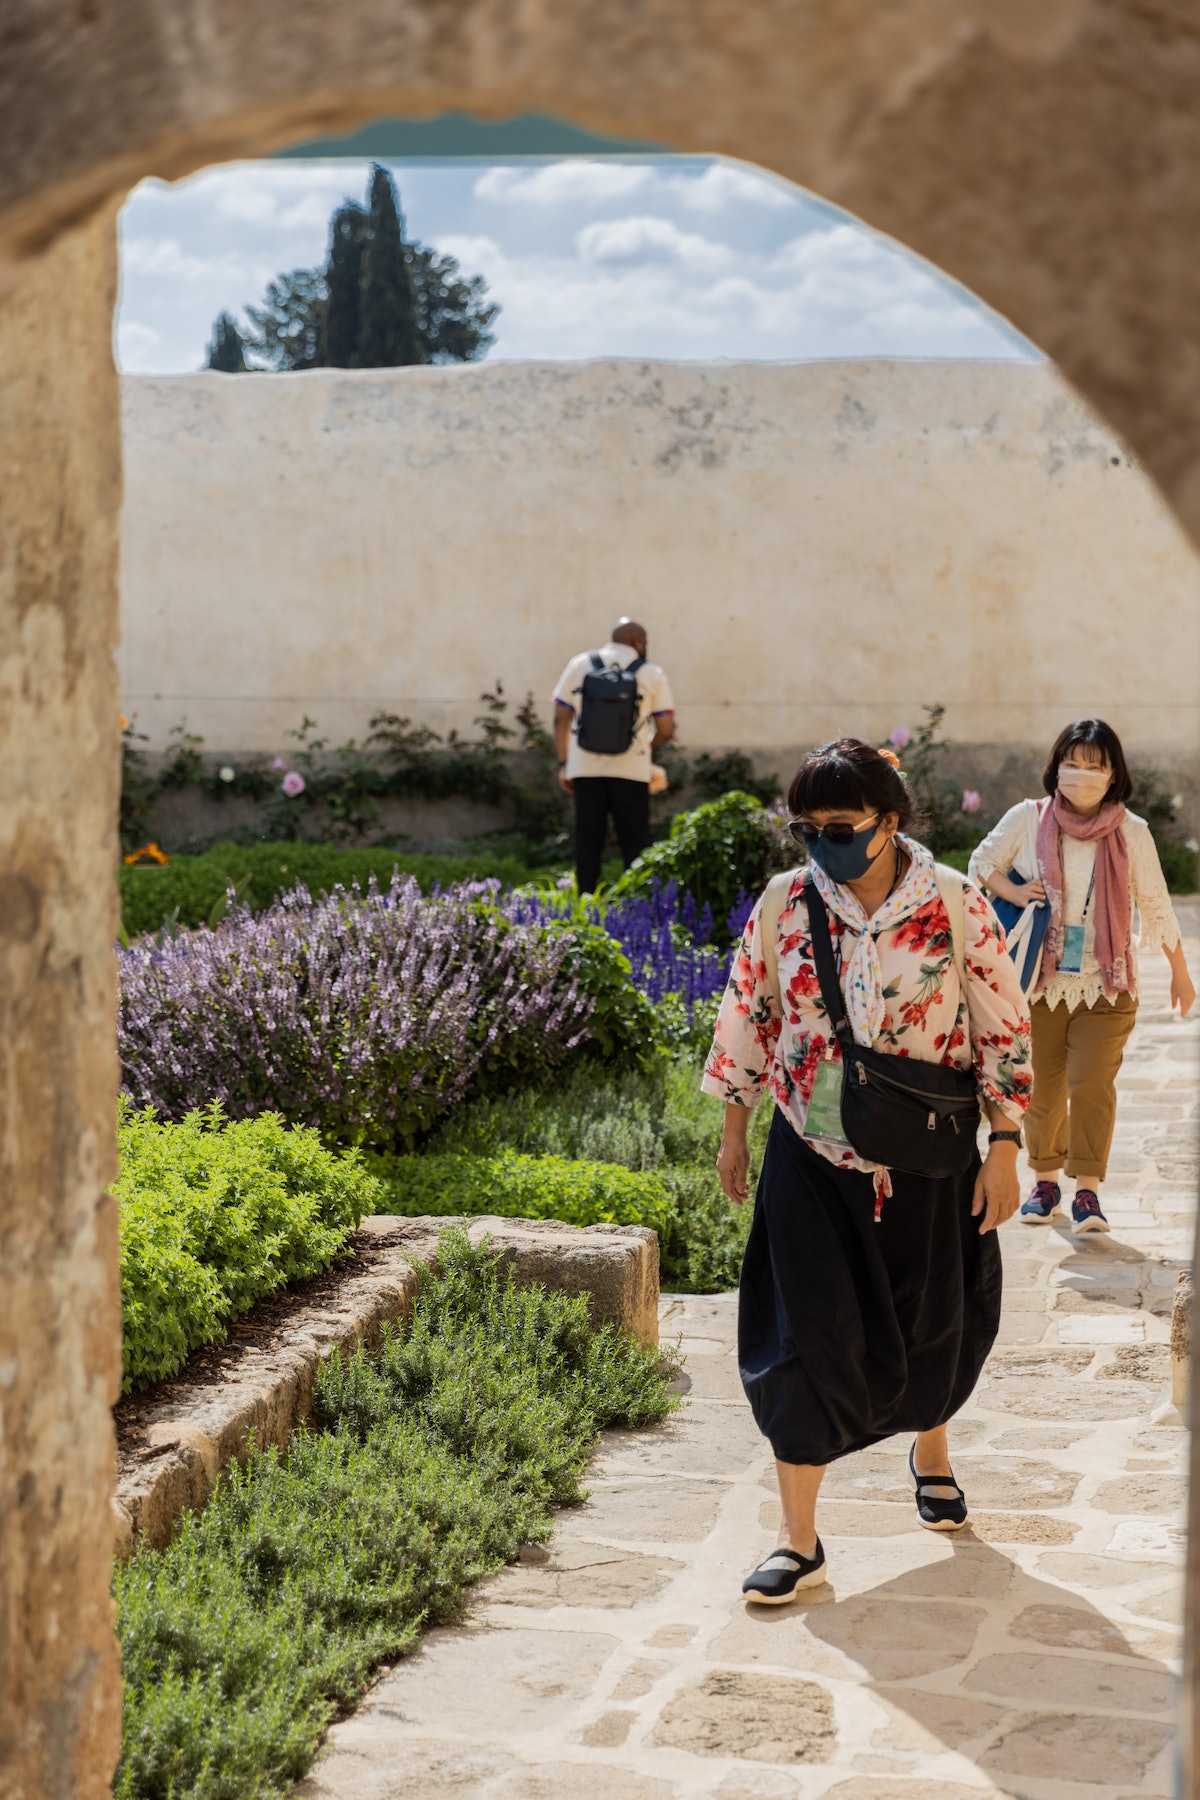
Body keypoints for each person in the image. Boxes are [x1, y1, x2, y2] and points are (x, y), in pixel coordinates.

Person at [703, 738, 1031, 1604]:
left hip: (927, 1153)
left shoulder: (957, 905)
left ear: (889, 821)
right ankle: (798, 1538)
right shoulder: (783, 904)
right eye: (806, 828)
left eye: (840, 826)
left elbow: (1004, 1027)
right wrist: (736, 1130)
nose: (822, 843)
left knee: (933, 1318)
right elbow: (751, 1011)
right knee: (799, 1337)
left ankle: (932, 1450)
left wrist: (1004, 1145)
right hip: (810, 1155)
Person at [969, 717, 1193, 1234]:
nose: (1082, 773)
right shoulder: (1028, 818)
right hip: (1037, 985)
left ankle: (1087, 1192)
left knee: (1091, 1083)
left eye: (1094, 765)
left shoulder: (1131, 832)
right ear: (1056, 767)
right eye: (1073, 762)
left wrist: (1180, 972)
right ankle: (1045, 1183)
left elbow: (1155, 904)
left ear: (1113, 774)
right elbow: (983, 862)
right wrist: (1013, 890)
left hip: (1106, 982)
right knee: (1043, 1091)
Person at [552, 619, 675, 892]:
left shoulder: (580, 663)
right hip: (632, 769)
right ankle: (639, 901)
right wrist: (647, 750)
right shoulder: (652, 673)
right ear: (640, 643)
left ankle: (585, 900)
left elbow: (561, 716)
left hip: (584, 765)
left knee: (587, 839)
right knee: (635, 839)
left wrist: (564, 763)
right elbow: (666, 728)